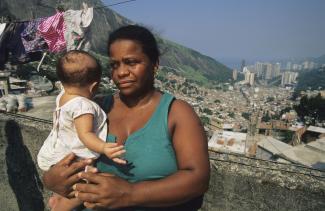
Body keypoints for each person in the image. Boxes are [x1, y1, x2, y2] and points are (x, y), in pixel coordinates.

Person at [43, 25, 210, 211]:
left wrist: (130, 193)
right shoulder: (96, 109)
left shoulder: (176, 113)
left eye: (131, 62)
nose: (121, 72)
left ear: (155, 64)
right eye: (115, 65)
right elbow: (62, 150)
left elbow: (198, 179)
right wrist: (51, 179)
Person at [37, 50, 126, 211]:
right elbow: (85, 135)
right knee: (89, 182)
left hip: (56, 151)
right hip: (72, 156)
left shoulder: (63, 95)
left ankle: (56, 200)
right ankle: (61, 207)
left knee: (71, 182)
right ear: (94, 86)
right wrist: (104, 147)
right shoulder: (83, 106)